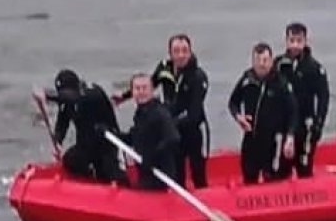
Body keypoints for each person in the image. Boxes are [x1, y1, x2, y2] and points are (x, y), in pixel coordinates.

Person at [116, 34, 211, 189]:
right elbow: (149, 85)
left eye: (184, 51)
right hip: (170, 126)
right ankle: (176, 200)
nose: (180, 55)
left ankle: (205, 196)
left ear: (190, 52)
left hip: (190, 127)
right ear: (170, 53)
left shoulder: (198, 77)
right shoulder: (164, 67)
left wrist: (166, 123)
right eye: (176, 51)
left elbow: (194, 112)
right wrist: (125, 96)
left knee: (197, 170)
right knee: (177, 170)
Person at [35, 69, 127, 186]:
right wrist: (58, 141)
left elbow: (74, 97)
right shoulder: (67, 102)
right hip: (86, 144)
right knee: (70, 160)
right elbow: (62, 122)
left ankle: (128, 191)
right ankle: (89, 182)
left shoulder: (92, 93)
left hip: (107, 144)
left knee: (110, 171)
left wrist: (48, 96)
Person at [227, 43, 298, 184]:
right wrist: (238, 117)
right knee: (249, 175)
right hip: (251, 137)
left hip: (273, 140)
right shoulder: (247, 79)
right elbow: (233, 102)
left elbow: (293, 111)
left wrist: (290, 137)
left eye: (265, 60)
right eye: (258, 61)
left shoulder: (280, 83)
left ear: (271, 61)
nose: (261, 65)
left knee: (273, 177)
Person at [274, 22, 330, 179]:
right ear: (286, 41)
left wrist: (318, 125)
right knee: (281, 169)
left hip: (306, 126)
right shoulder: (278, 66)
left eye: (299, 41)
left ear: (305, 41)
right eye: (292, 41)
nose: (295, 45)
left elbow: (323, 98)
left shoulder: (315, 69)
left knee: (304, 167)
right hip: (284, 126)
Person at [119, 73, 181, 191]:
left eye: (145, 88)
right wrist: (113, 133)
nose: (141, 92)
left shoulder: (160, 113)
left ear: (152, 90)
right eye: (137, 88)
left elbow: (173, 139)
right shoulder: (141, 113)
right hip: (146, 170)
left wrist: (153, 157)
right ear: (132, 92)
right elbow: (135, 137)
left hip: (160, 174)